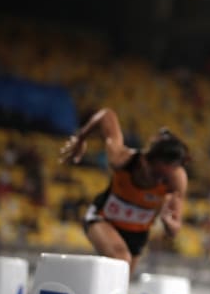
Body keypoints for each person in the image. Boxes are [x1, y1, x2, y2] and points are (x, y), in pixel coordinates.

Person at [59, 108, 189, 276]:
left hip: (137, 234)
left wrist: (167, 222)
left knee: (120, 283)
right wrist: (81, 137)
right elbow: (107, 115)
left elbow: (174, 230)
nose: (159, 182)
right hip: (103, 218)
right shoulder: (121, 159)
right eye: (156, 174)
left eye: (165, 178)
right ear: (144, 161)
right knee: (121, 259)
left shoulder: (176, 178)